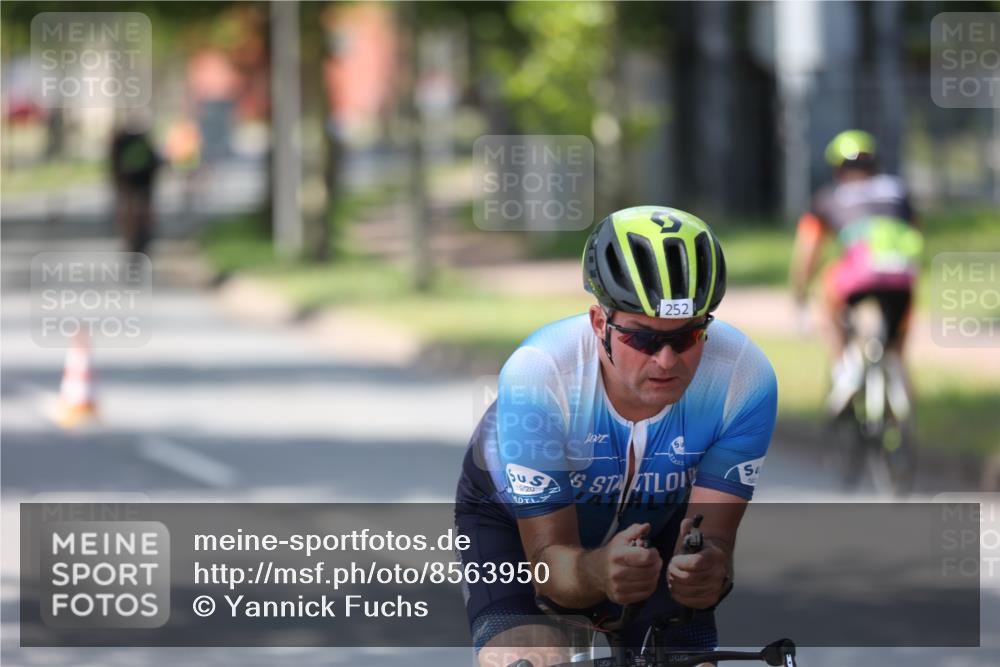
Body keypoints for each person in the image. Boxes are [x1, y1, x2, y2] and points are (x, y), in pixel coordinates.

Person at [455, 206, 778, 667]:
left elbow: (715, 546)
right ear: (599, 324)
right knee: (528, 657)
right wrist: (598, 570)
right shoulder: (540, 373)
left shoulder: (743, 378)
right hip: (512, 525)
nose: (666, 360)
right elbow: (549, 568)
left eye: (687, 337)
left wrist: (705, 571)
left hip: (658, 532)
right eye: (643, 340)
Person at [789, 130, 922, 406]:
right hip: (902, 278)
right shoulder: (898, 191)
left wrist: (800, 291)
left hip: (858, 277)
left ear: (837, 168)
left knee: (825, 298)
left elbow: (808, 251)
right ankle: (898, 379)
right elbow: (914, 237)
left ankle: (846, 369)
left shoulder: (829, 197)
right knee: (895, 347)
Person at [110, 119, 163, 255]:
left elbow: (114, 163)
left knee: (129, 207)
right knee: (141, 206)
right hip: (143, 180)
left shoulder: (120, 141)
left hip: (129, 180)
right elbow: (155, 161)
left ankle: (131, 237)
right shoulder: (143, 140)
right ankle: (143, 233)